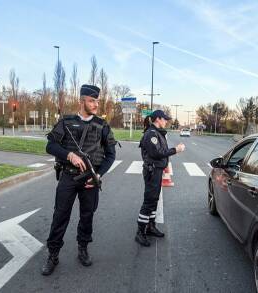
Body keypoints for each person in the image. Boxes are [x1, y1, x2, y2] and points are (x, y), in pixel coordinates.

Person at [42, 84, 117, 275]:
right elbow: (50, 146)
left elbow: (110, 155)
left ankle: (83, 248)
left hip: (90, 179)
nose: (95, 104)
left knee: (87, 215)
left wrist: (99, 175)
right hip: (68, 176)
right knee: (60, 215)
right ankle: (53, 254)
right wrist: (69, 155)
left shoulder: (102, 126)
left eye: (97, 101)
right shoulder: (66, 121)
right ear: (81, 101)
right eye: (92, 101)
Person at [135, 110, 185, 247]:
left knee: (154, 200)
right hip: (152, 171)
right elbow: (158, 153)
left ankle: (150, 227)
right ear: (158, 119)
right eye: (164, 119)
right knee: (149, 201)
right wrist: (176, 150)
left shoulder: (157, 132)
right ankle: (140, 232)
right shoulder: (151, 134)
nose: (166, 121)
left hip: (156, 170)